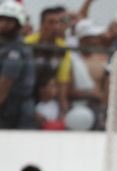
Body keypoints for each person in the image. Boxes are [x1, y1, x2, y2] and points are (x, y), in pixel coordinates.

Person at [25, 6, 71, 115]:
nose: (55, 26)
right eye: (51, 22)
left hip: (48, 95)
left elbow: (62, 79)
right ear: (42, 24)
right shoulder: (28, 43)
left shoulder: (63, 48)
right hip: (25, 94)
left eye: (58, 23)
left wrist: (63, 106)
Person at [0, 0, 35, 129]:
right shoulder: (4, 45)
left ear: (18, 23)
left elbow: (4, 86)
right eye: (1, 19)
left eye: (9, 21)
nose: (3, 24)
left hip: (15, 110)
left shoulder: (16, 49)